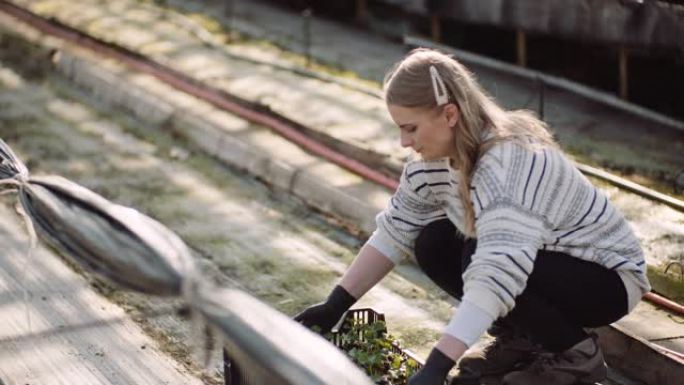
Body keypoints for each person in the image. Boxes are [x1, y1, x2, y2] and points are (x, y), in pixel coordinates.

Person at [294, 48, 650, 385]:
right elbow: (395, 229)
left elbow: (497, 269)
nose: (404, 142)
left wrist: (437, 366)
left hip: (606, 277)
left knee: (474, 258)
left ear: (449, 115)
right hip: (543, 262)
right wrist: (334, 305)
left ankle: (576, 356)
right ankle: (524, 338)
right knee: (433, 242)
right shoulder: (429, 166)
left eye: (411, 128)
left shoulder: (508, 162)